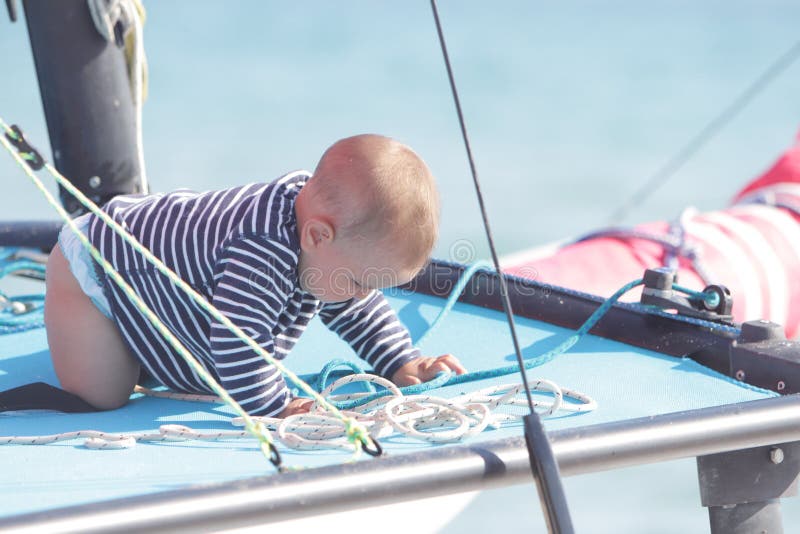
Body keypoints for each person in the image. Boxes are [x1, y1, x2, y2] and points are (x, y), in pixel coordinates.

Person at [44, 134, 466, 417]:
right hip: (95, 269)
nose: (362, 295)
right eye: (361, 282)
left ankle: (143, 340)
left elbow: (354, 309)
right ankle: (111, 333)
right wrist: (274, 407)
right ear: (318, 235)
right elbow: (236, 342)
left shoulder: (321, 232)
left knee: (166, 362)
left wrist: (400, 361)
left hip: (154, 268)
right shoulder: (259, 251)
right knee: (107, 393)